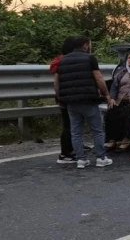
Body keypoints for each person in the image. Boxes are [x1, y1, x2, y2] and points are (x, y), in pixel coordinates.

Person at [54, 36, 112, 169]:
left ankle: (81, 160)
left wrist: (60, 98)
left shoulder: (62, 61)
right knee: (97, 130)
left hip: (71, 102)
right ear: (85, 45)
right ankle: (101, 158)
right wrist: (107, 95)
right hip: (88, 99)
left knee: (76, 131)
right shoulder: (90, 58)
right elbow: (98, 78)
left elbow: (56, 82)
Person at [50, 36, 77, 164]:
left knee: (72, 123)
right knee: (69, 124)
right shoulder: (64, 60)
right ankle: (65, 152)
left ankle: (72, 147)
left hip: (63, 95)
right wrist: (59, 97)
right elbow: (57, 81)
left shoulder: (61, 59)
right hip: (65, 96)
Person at [105, 50, 130, 152]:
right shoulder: (121, 72)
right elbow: (114, 86)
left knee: (129, 114)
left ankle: (127, 139)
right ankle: (112, 139)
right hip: (119, 99)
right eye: (129, 58)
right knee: (110, 113)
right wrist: (112, 98)